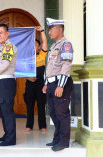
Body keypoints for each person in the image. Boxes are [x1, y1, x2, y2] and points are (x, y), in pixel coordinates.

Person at [42, 18, 74, 152]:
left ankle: (64, 141)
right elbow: (49, 67)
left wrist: (60, 85)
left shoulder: (66, 44)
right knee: (54, 113)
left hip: (60, 83)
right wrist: (45, 83)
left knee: (62, 113)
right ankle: (57, 139)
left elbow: (66, 65)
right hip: (51, 83)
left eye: (51, 29)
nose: (49, 32)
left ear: (59, 29)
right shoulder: (54, 46)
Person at [23, 26, 48, 133]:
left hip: (40, 83)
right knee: (30, 105)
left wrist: (42, 31)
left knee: (41, 105)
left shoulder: (42, 55)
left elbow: (45, 42)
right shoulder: (26, 57)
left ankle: (43, 126)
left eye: (35, 45)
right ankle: (29, 126)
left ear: (39, 47)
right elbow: (21, 70)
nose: (33, 47)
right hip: (29, 83)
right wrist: (28, 77)